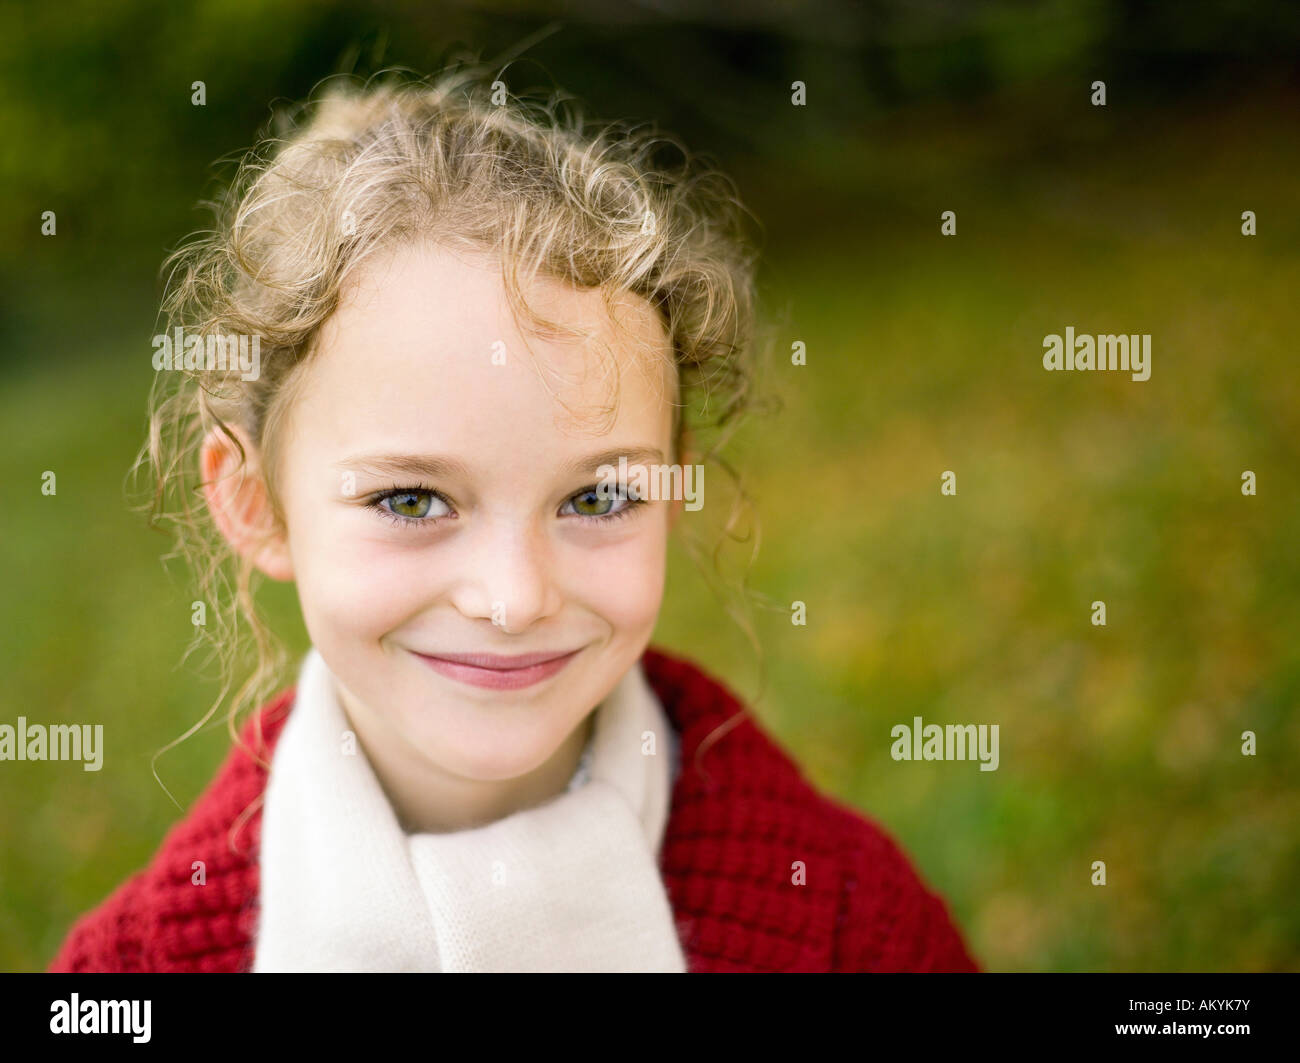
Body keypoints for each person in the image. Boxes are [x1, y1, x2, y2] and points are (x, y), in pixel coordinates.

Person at [48, 66, 979, 973]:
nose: (516, 597)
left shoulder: (853, 923)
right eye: (410, 500)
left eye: (598, 497)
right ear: (258, 505)